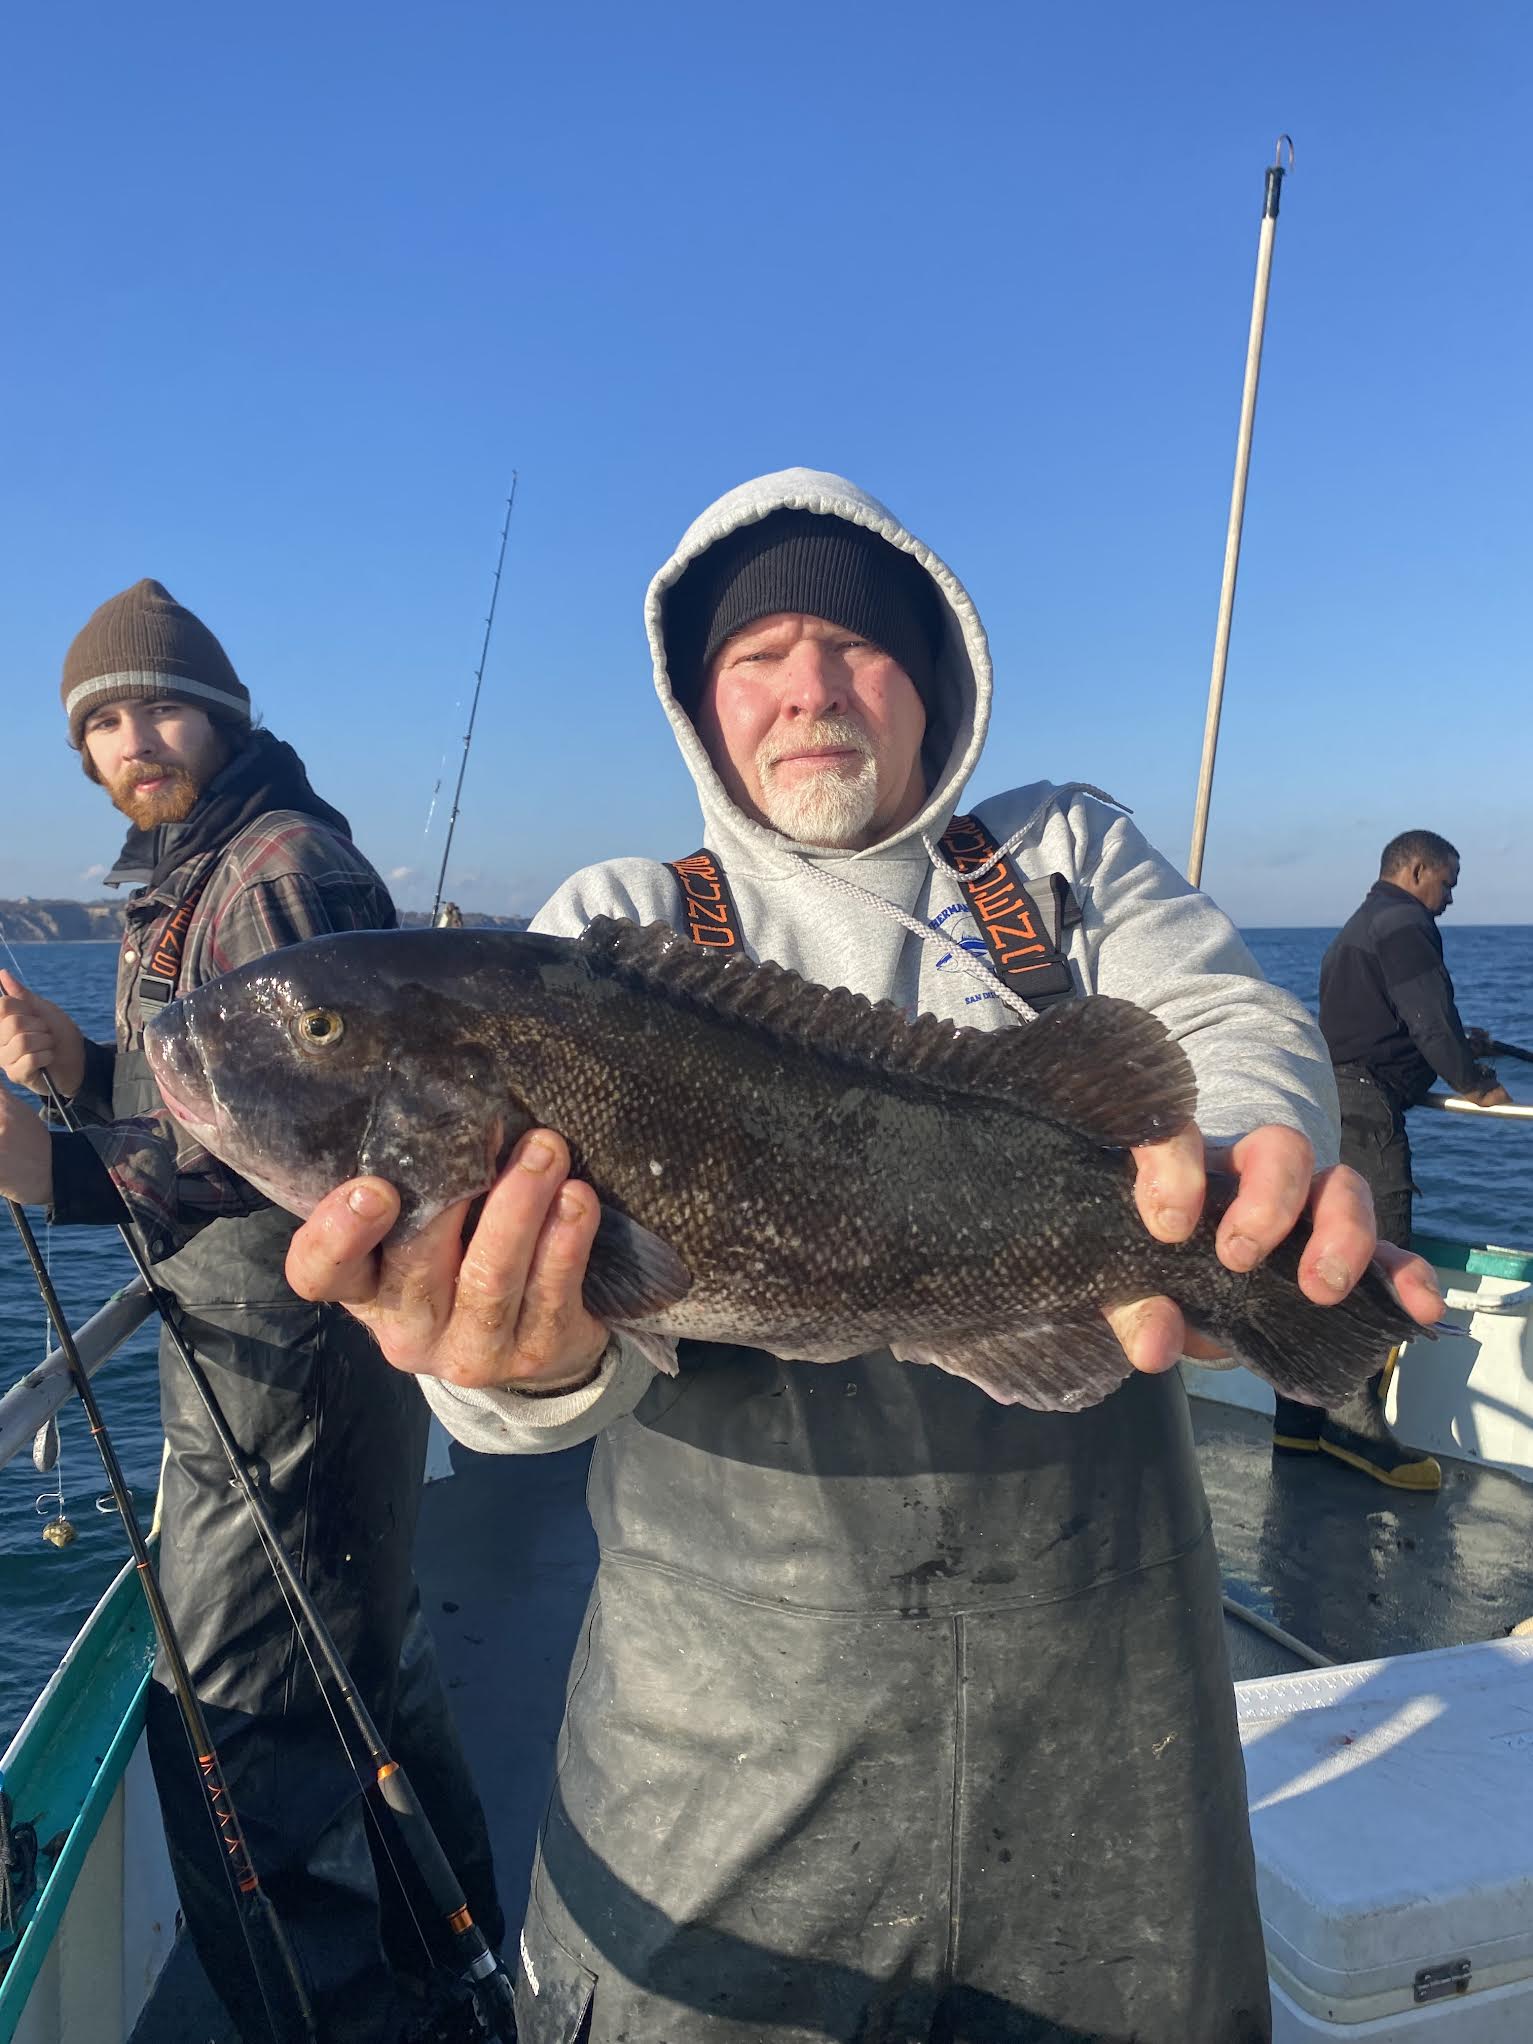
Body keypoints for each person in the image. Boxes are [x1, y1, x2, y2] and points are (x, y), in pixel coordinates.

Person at [66, 491, 1441, 2043]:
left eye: (855, 644)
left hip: (1105, 1727)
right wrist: (515, 1370)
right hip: (717, 1746)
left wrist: (1247, 1162)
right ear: (698, 700)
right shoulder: (618, 922)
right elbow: (510, 1406)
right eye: (758, 656)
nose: (808, 687)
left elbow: (1225, 1024)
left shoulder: (1061, 854)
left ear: (934, 675)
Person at [0, 580, 501, 2043]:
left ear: (224, 717)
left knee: (239, 1743)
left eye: (161, 707)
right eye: (101, 724)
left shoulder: (275, 871)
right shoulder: (194, 872)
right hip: (268, 1358)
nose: (132, 741)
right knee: (364, 1686)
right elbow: (218, 1102)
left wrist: (53, 1172)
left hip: (297, 1365)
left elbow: (325, 1146)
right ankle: (462, 1992)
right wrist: (86, 1069)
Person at [1270, 831, 1510, 1490]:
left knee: (1326, 1257)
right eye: (1447, 882)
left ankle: (1298, 1424)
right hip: (1366, 1109)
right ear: (1416, 870)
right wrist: (1474, 1082)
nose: (1449, 899)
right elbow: (1429, 1020)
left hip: (1333, 1100)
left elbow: (1381, 1024)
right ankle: (1354, 1431)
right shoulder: (1405, 923)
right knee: (1378, 1261)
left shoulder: (1360, 926)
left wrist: (1459, 1042)